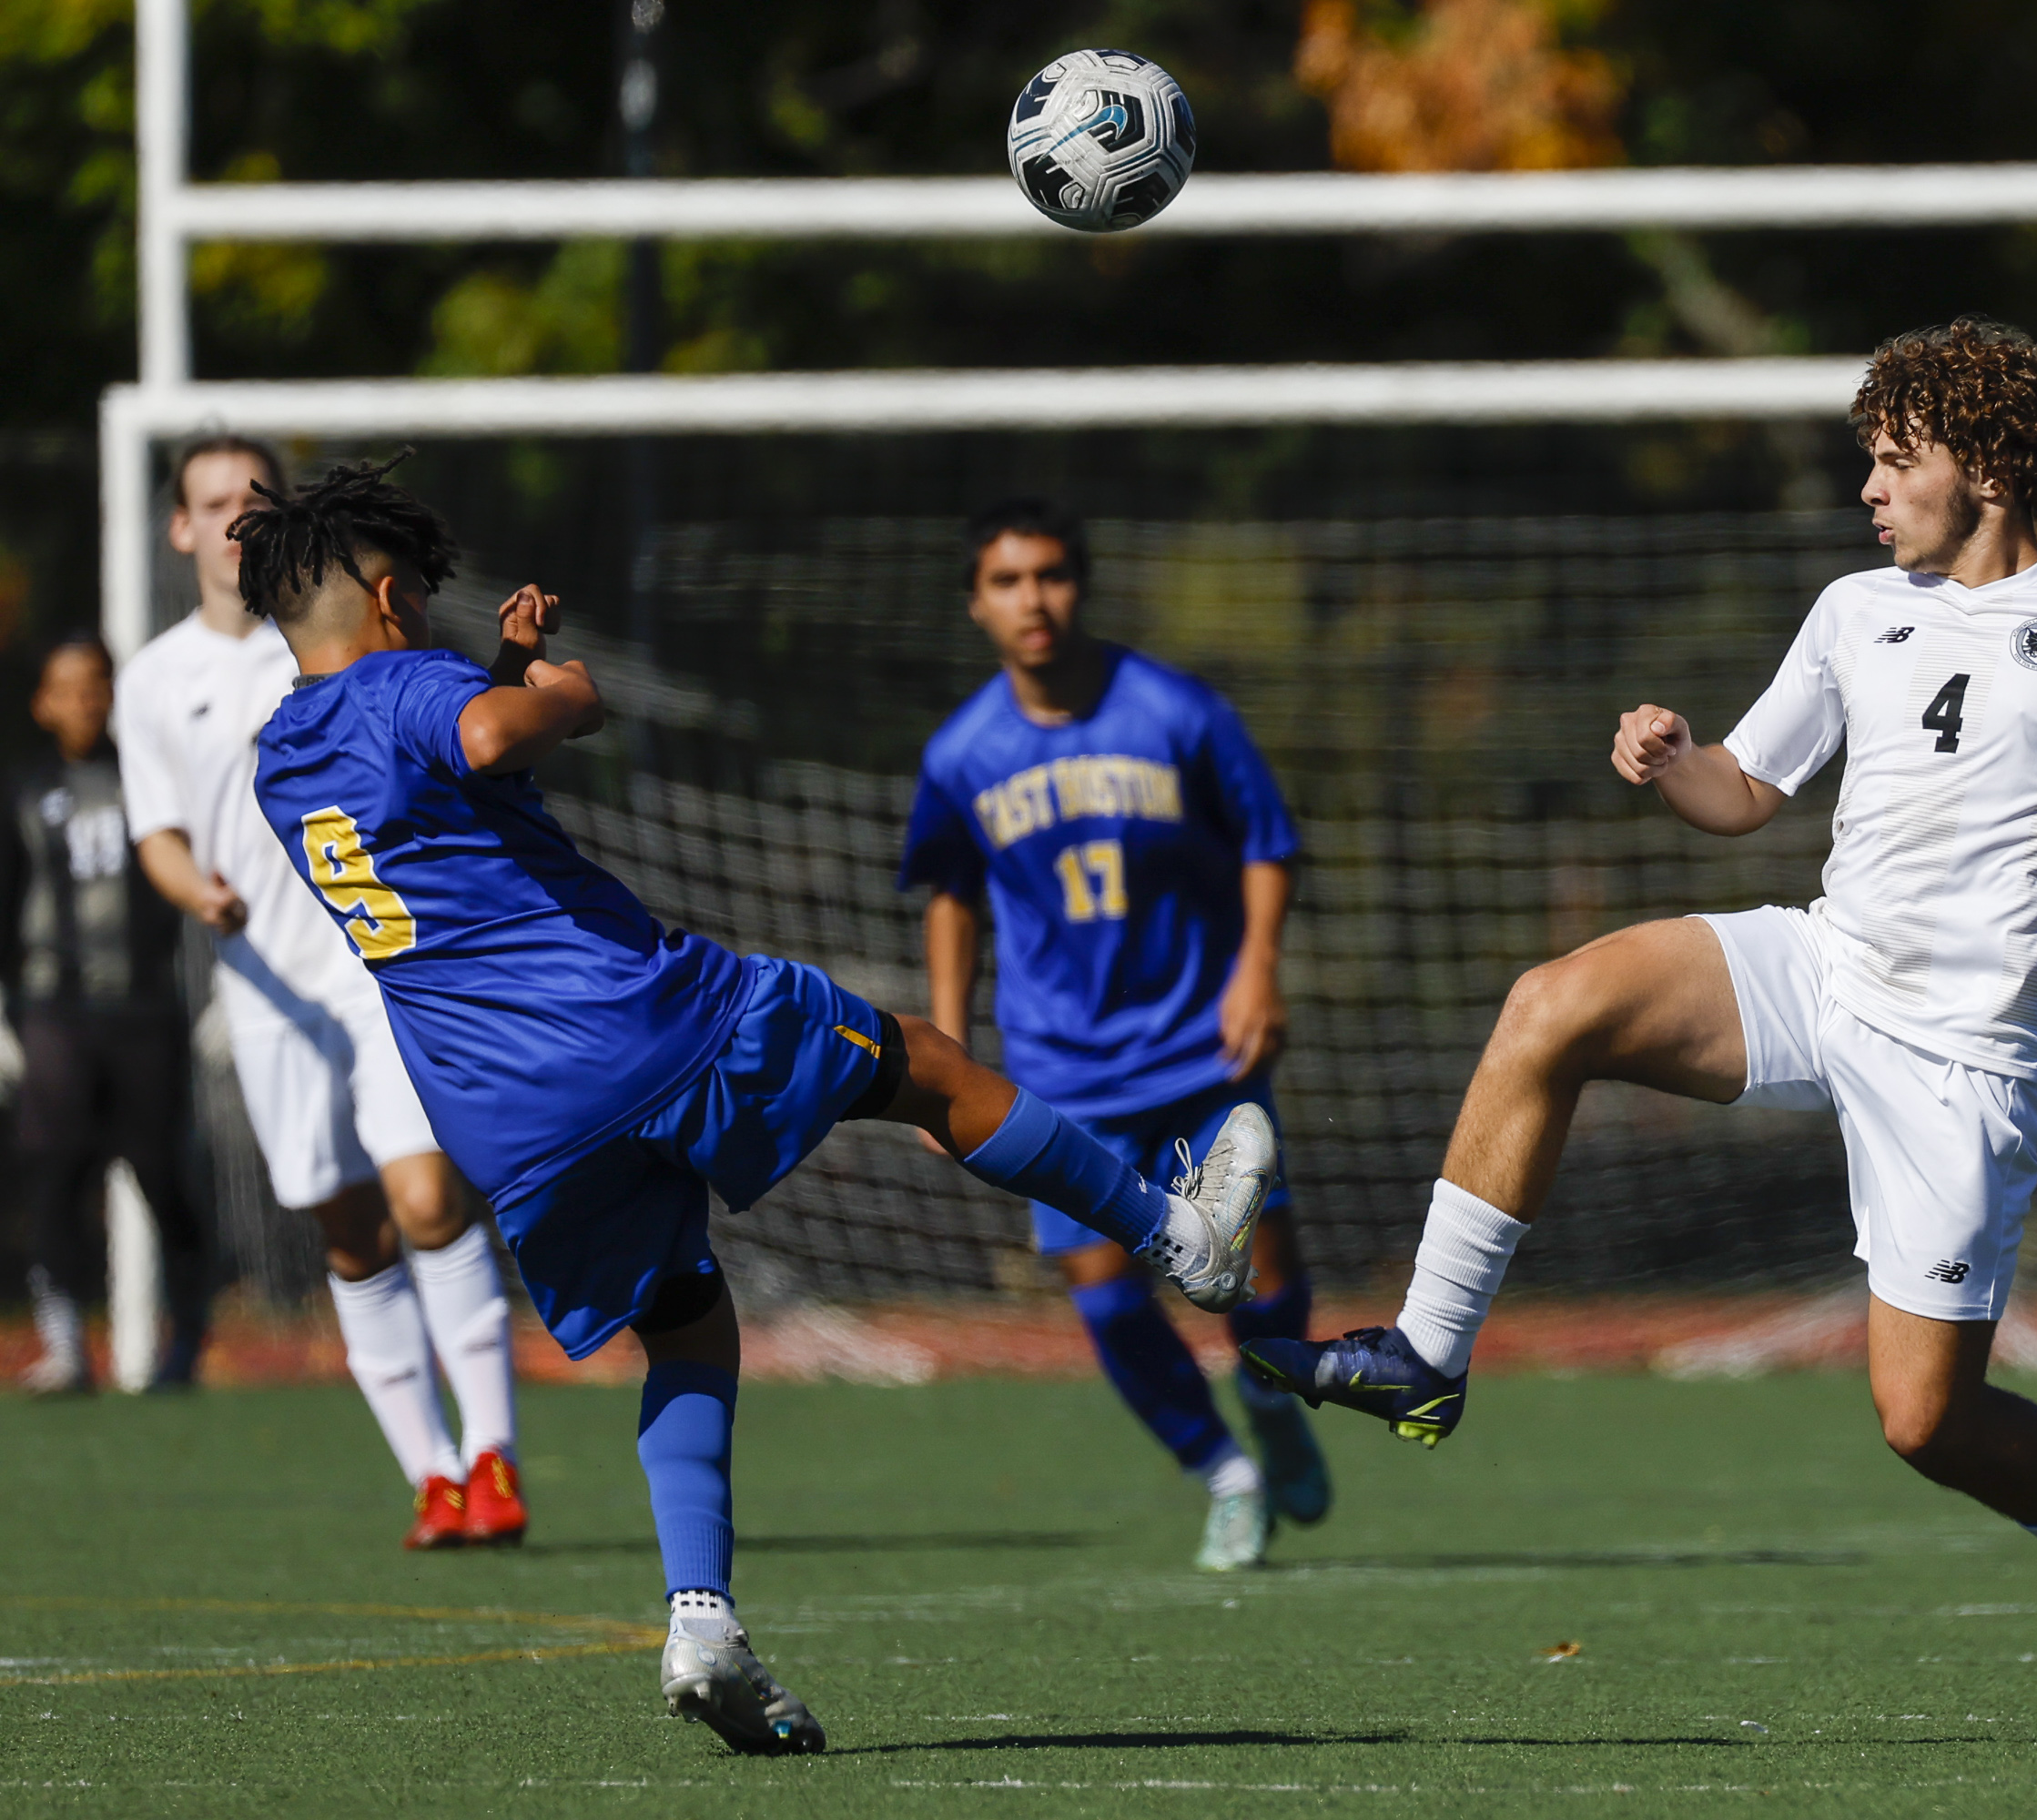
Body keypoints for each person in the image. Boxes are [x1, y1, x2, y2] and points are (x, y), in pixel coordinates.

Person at [1244, 318, 2037, 1733]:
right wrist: (1672, 761)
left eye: (1896, 462)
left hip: (1965, 1065)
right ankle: (1425, 1354)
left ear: (1989, 468)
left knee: (1924, 1423)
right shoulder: (1854, 612)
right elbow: (1747, 799)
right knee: (1551, 1006)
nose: (1870, 491)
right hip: (1824, 971)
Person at [237, 454, 1276, 1756]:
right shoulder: (413, 683)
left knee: (686, 1322)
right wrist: (556, 689)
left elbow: (438, 795)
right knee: (926, 1062)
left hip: (503, 1115)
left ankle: (704, 1618)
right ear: (391, 598)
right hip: (642, 1024)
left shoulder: (281, 755)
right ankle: (1183, 1237)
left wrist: (495, 679)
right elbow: (484, 737)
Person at [116, 436, 527, 1548]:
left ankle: (493, 1455)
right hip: (265, 993)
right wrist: (191, 889)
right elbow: (155, 828)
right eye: (212, 501)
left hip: (373, 967)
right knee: (348, 1233)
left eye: (255, 498)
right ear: (181, 528)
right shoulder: (154, 679)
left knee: (431, 1200)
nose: (233, 518)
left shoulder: (324, 635)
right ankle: (431, 1472)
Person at [902, 499, 1327, 1573]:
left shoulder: (1175, 711)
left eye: (1049, 574)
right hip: (1062, 1066)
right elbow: (949, 892)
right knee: (1099, 1282)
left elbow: (1266, 841)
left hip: (1198, 1045)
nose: (1031, 599)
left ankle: (1273, 1401)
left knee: (1259, 1271)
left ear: (1080, 584)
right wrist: (945, 1041)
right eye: (1007, 581)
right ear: (976, 603)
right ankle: (1225, 1476)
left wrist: (1257, 969)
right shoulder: (962, 752)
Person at [4, 636, 210, 1393]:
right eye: (67, 688)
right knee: (54, 1168)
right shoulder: (22, 789)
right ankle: (64, 1340)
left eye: (97, 685)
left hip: (145, 1007)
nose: (84, 701)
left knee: (161, 1172)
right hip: (53, 1008)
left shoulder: (153, 780)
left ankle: (185, 1338)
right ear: (42, 703)